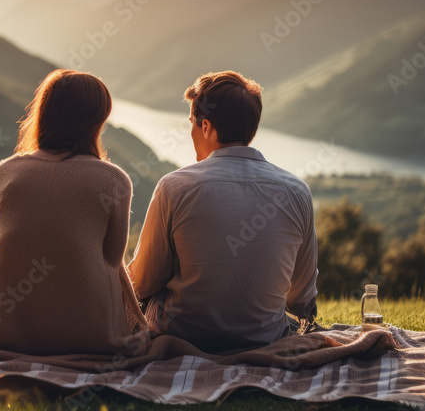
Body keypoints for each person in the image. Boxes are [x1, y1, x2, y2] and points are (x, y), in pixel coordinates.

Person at [128, 70, 318, 354]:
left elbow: (142, 283)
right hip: (264, 339)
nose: (191, 132)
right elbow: (301, 301)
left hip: (183, 338)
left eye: (192, 123)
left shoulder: (174, 187)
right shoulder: (297, 191)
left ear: (206, 127)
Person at [0, 69, 147, 355]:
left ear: (45, 113)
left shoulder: (3, 172)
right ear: (95, 121)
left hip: (3, 326)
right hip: (90, 331)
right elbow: (111, 256)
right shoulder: (114, 179)